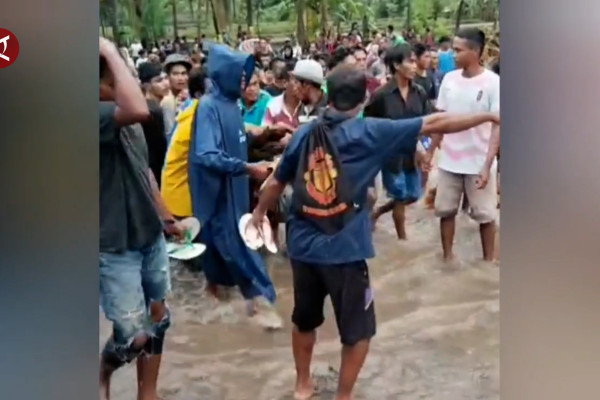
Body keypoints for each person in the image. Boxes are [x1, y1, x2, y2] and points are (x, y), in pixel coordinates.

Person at [250, 64, 499, 400]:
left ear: (327, 93)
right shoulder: (372, 132)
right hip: (346, 251)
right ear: (364, 98)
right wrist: (487, 118)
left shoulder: (305, 134)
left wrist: (258, 214)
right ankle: (344, 396)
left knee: (304, 319)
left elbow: (277, 181)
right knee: (358, 331)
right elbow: (437, 122)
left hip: (303, 248)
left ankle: (302, 385)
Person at [99, 37, 185, 400]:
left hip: (149, 234)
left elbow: (145, 171)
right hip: (114, 243)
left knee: (158, 319)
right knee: (133, 336)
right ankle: (99, 372)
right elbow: (138, 108)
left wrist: (167, 218)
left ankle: (147, 393)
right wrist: (106, 47)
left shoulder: (122, 118)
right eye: (120, 76)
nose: (129, 81)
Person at [188, 44, 279, 322]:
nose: (245, 82)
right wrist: (248, 168)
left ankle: (223, 303)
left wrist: (265, 137)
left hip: (235, 189)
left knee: (226, 247)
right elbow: (206, 153)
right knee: (235, 247)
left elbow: (234, 138)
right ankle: (264, 307)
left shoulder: (230, 103)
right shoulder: (208, 107)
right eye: (240, 76)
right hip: (216, 194)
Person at [424, 28, 500, 262]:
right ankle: (447, 258)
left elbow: (498, 125)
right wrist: (429, 152)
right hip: (449, 161)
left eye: (458, 50)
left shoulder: (493, 83)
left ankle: (487, 262)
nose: (452, 54)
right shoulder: (449, 79)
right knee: (445, 211)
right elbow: (441, 120)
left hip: (479, 161)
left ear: (475, 52)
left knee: (485, 215)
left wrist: (487, 165)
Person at [366, 44, 432, 239]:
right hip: (391, 157)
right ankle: (402, 239)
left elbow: (427, 122)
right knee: (400, 197)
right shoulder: (381, 95)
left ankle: (378, 212)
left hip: (412, 153)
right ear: (396, 65)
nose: (414, 65)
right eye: (410, 61)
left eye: (414, 61)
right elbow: (369, 125)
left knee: (414, 195)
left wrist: (424, 147)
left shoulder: (419, 92)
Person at [161, 67, 208, 220]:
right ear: (200, 95)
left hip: (176, 193)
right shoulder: (197, 118)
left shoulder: (192, 107)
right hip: (180, 199)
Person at [138, 62, 170, 188]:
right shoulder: (153, 109)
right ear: (146, 85)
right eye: (159, 81)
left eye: (166, 78)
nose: (165, 83)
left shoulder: (158, 104)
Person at [161, 54, 192, 136]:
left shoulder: (190, 96)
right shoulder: (167, 100)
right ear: (168, 77)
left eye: (183, 73)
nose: (180, 78)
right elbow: (170, 133)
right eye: (175, 74)